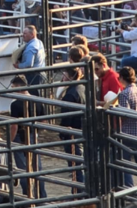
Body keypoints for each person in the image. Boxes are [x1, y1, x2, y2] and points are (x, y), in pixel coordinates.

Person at [8, 74, 47, 199]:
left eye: (14, 87)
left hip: (20, 137)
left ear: (19, 88)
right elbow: (44, 123)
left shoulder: (15, 104)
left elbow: (14, 126)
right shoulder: (37, 100)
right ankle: (42, 197)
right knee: (37, 168)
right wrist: (34, 131)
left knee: (23, 168)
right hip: (33, 136)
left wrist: (9, 141)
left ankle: (28, 197)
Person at [58, 65, 86, 193]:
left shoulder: (69, 95)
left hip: (72, 131)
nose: (62, 77)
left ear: (69, 76)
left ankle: (78, 191)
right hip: (82, 129)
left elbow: (66, 118)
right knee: (80, 162)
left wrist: (63, 132)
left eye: (64, 75)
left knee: (75, 165)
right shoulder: (82, 88)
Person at [13, 25, 46, 93]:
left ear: (32, 35)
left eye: (25, 33)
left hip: (33, 76)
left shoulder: (31, 47)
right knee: (39, 97)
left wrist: (18, 66)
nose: (23, 35)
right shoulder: (39, 42)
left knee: (33, 97)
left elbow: (29, 64)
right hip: (41, 72)